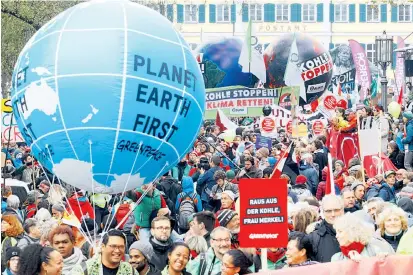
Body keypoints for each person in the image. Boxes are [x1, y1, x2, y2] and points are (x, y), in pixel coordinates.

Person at [308, 195, 344, 263]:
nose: (333, 214)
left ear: (342, 210)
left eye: (336, 210)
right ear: (323, 212)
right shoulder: (313, 238)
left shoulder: (355, 232)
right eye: (328, 211)